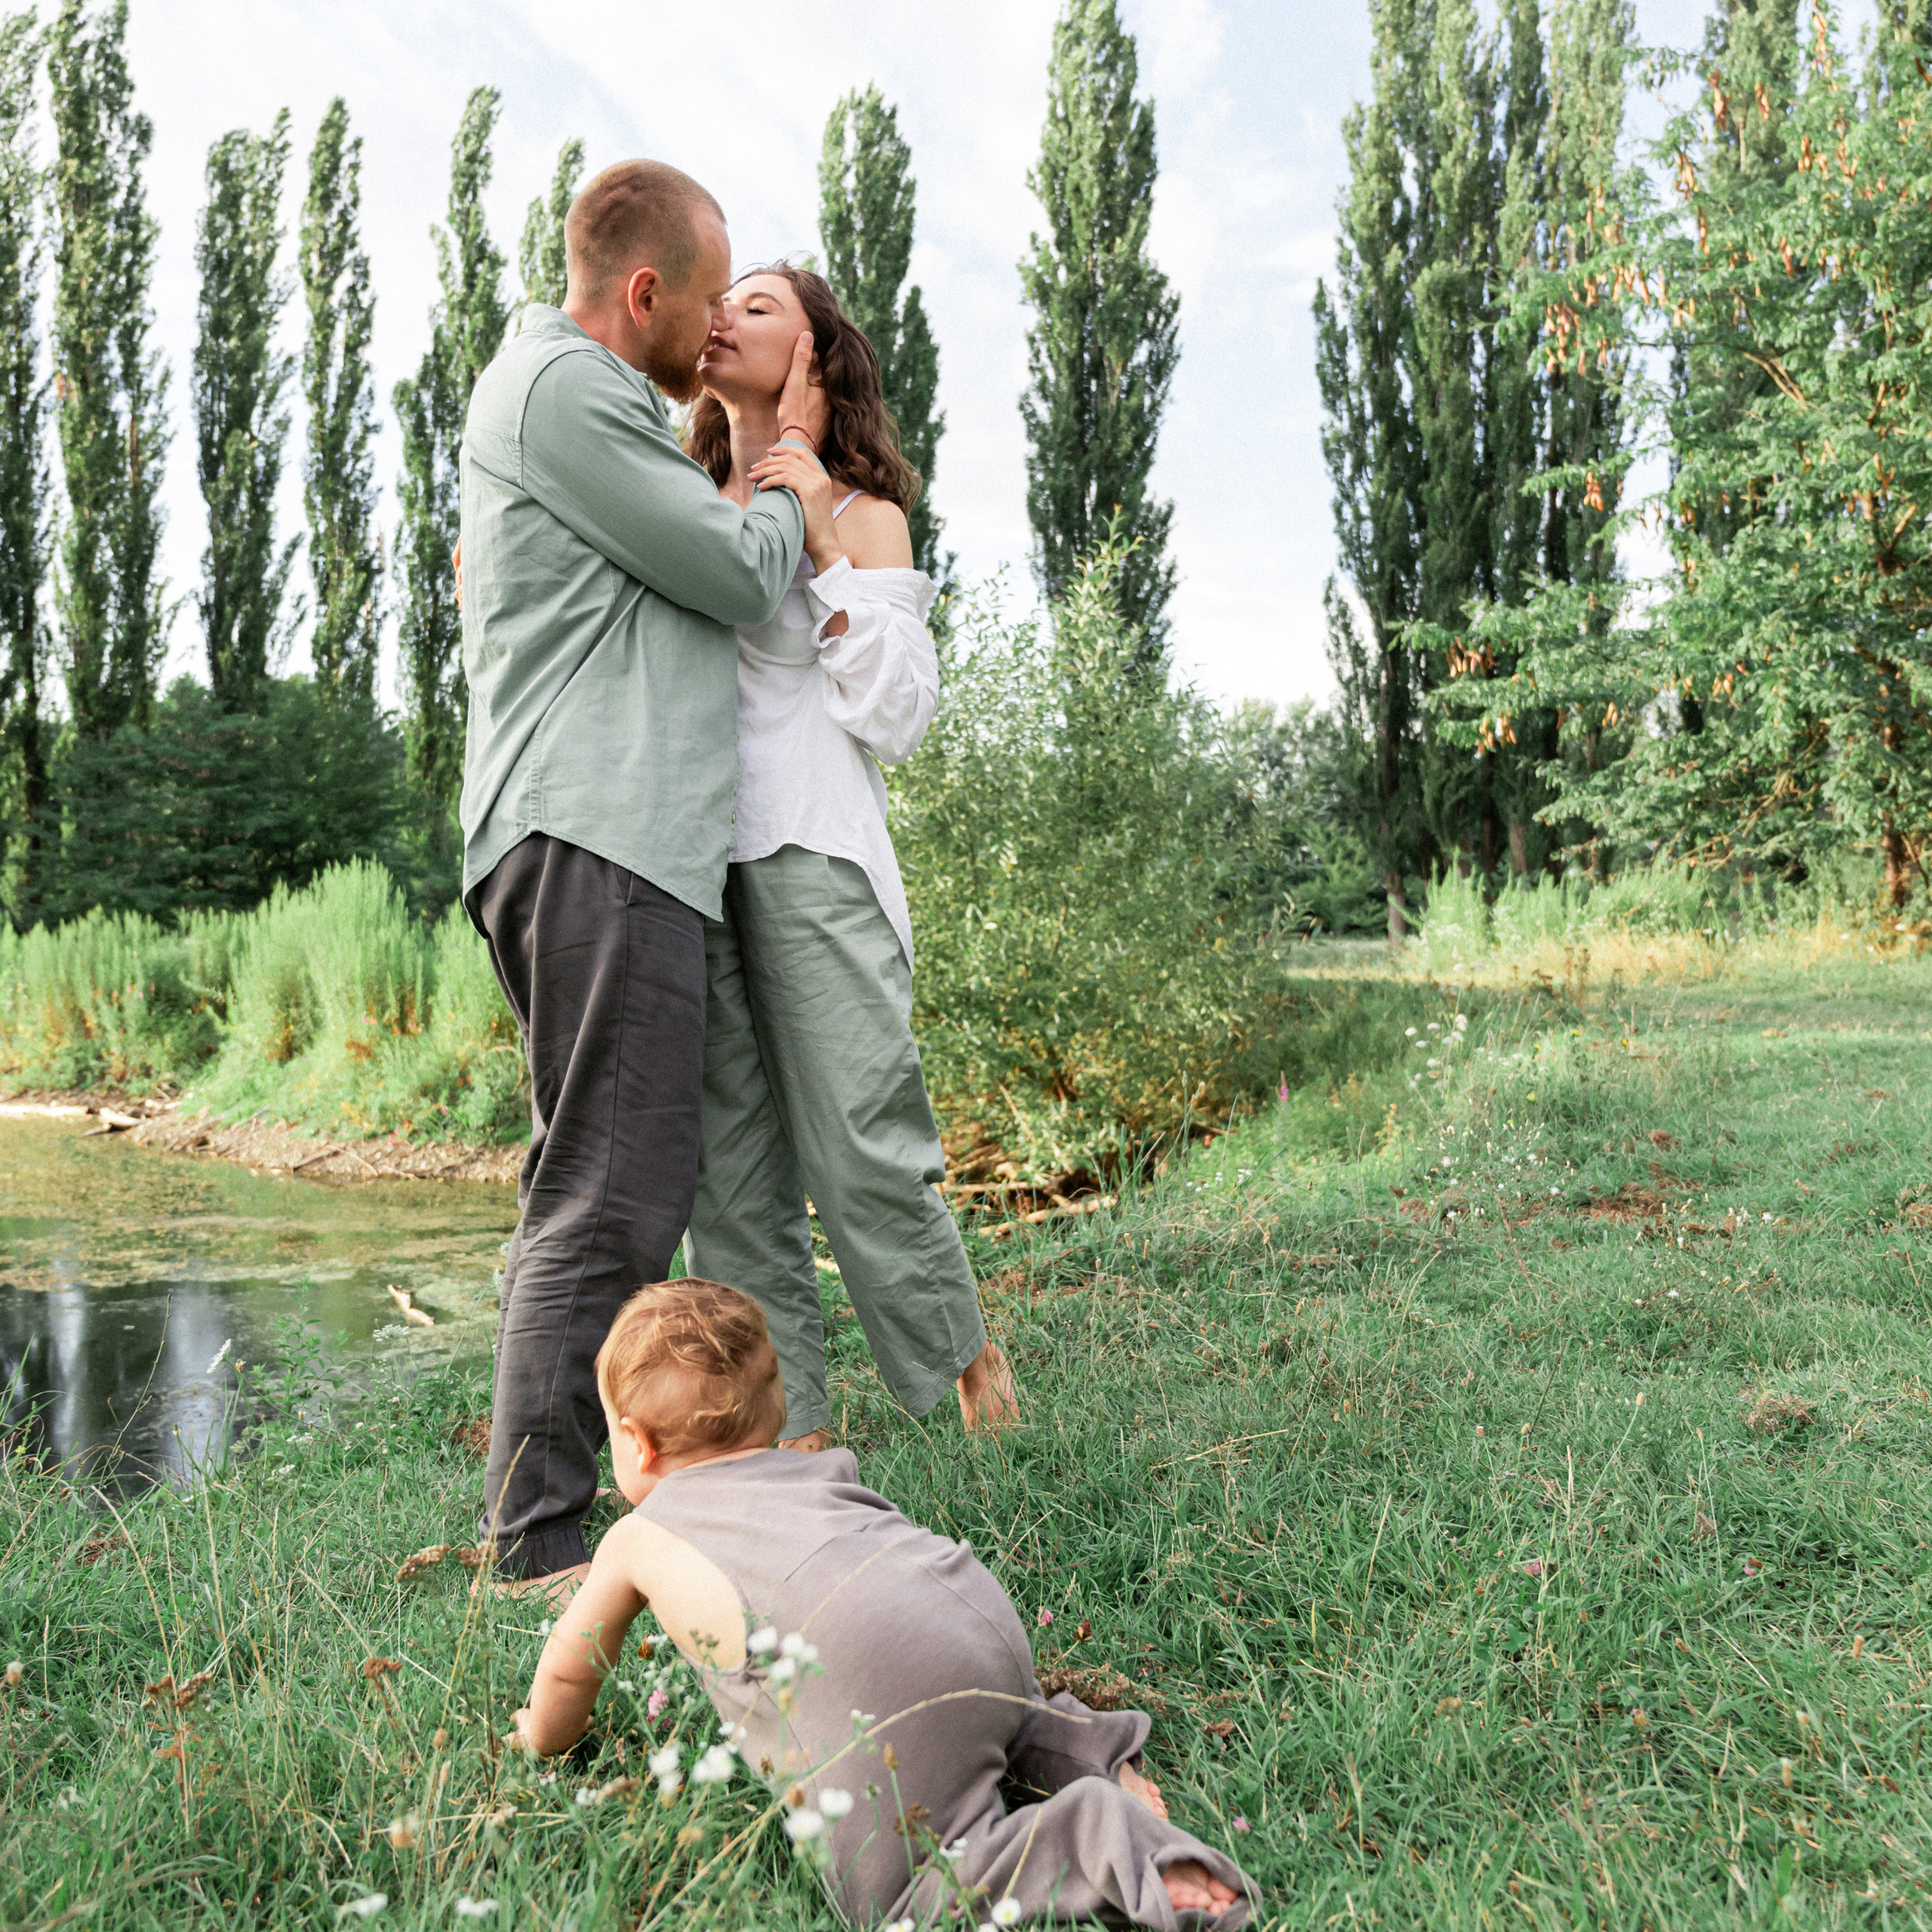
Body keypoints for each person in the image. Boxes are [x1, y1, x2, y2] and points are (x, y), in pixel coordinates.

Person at [457, 161, 831, 1594]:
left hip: (598, 840)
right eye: (709, 287)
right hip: (596, 836)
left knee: (608, 1183)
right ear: (644, 293)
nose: (716, 323)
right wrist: (788, 469)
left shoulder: (571, 404)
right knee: (608, 1197)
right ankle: (543, 1542)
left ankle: (570, 1509)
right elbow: (739, 575)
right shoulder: (571, 391)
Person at [513, 1280, 1254, 1930]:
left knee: (895, 1897)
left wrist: (539, 1737)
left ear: (636, 1445)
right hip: (971, 1615)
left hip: (882, 1687)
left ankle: (1090, 1834)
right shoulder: (808, 1467)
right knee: (994, 1712)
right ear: (773, 1409)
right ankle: (1082, 1746)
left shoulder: (636, 1538)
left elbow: (573, 1670)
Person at [679, 263, 1019, 1450]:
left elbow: (899, 714)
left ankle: (975, 1384)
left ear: (814, 359)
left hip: (811, 851)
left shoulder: (864, 514)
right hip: (684, 867)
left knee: (863, 1152)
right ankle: (794, 1442)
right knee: (728, 1181)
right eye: (719, 299)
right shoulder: (669, 499)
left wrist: (819, 535)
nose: (723, 313)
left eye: (759, 305)